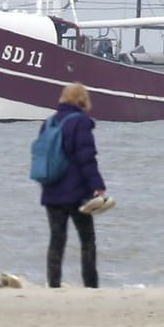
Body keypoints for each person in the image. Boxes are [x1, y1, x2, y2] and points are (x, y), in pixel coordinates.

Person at [38, 82, 107, 289]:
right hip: (77, 193)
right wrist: (98, 185)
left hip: (51, 192)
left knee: (56, 240)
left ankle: (54, 284)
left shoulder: (49, 123)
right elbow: (86, 157)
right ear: (82, 100)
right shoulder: (80, 123)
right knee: (87, 240)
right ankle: (91, 285)